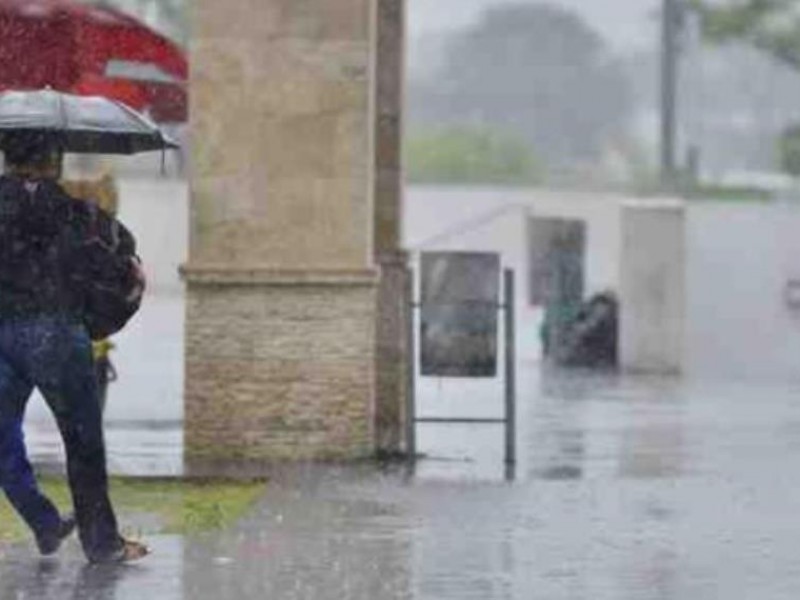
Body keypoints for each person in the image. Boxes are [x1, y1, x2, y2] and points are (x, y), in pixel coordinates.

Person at [0, 132, 148, 562]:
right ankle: (101, 544)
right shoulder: (80, 216)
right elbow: (127, 270)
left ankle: (44, 522)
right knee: (82, 443)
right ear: (53, 162)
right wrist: (95, 320)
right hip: (57, 333)